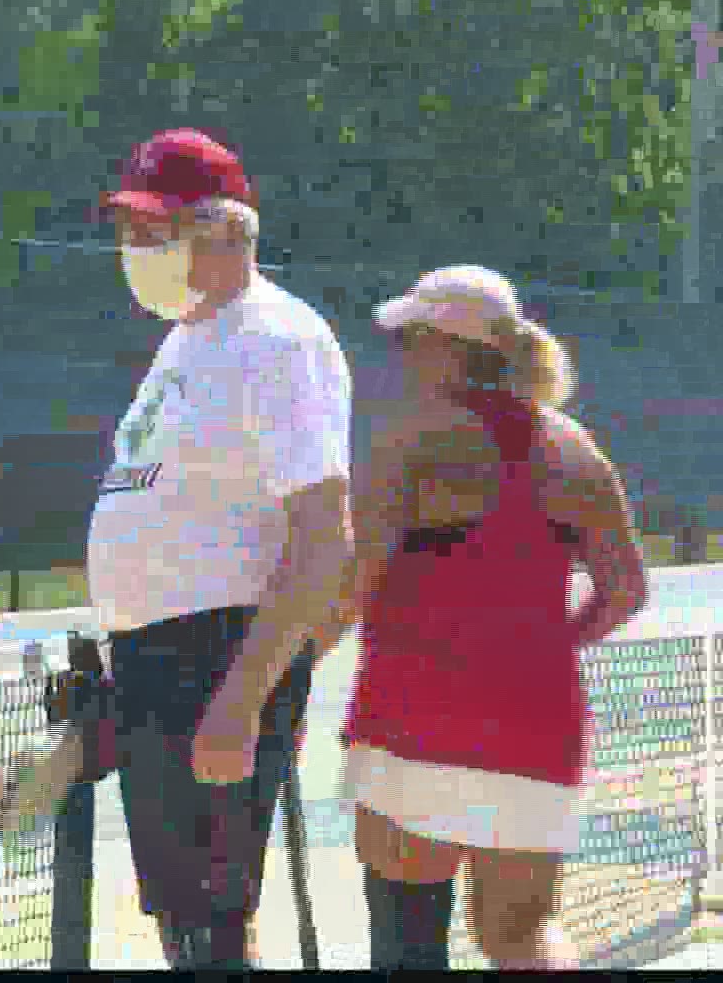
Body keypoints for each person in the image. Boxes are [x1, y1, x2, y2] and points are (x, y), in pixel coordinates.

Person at [317, 266, 648, 970]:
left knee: (408, 937)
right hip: (538, 721)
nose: (402, 355)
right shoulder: (577, 449)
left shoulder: (412, 438)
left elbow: (353, 583)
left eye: (411, 338)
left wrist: (277, 678)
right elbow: (626, 591)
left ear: (447, 346)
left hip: (414, 718)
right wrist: (547, 649)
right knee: (524, 934)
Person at [84, 129, 353, 970]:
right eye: (130, 230)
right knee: (186, 918)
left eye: (158, 230)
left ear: (230, 232)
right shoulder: (188, 338)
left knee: (210, 922)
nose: (138, 250)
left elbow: (322, 535)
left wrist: (242, 699)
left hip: (217, 656)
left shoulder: (277, 339)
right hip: (159, 658)